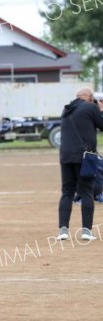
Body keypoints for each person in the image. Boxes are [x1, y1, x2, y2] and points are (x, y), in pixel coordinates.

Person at [56, 88, 103, 241]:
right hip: (85, 156)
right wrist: (100, 110)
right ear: (89, 97)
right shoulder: (91, 107)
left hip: (65, 156)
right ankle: (86, 231)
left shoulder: (66, 109)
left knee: (67, 192)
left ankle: (63, 230)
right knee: (87, 192)